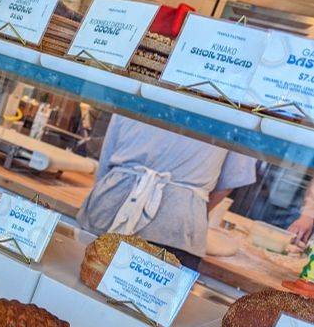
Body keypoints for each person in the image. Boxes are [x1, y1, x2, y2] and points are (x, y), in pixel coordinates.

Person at [77, 114, 257, 269]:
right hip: (176, 226)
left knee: (74, 294)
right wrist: (188, 207)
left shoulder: (145, 81)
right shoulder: (239, 107)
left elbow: (106, 158)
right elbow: (232, 179)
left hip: (107, 208)